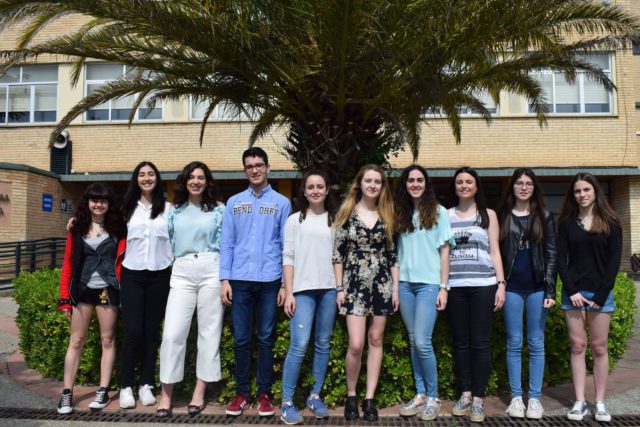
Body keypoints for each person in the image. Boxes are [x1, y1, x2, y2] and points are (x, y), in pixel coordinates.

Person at [220, 147, 292, 417]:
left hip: (269, 280)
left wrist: (284, 285)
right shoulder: (234, 202)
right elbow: (227, 242)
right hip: (239, 279)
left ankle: (263, 394)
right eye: (249, 166)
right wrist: (224, 279)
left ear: (268, 167)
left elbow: (286, 246)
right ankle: (241, 393)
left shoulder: (282, 203)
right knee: (240, 339)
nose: (255, 170)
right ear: (244, 170)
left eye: (259, 165)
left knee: (265, 338)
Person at [156, 161, 225, 417]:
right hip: (182, 271)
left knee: (209, 333)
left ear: (207, 182)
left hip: (211, 269)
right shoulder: (174, 211)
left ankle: (199, 392)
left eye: (201, 177)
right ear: (185, 182)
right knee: (172, 334)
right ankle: (166, 395)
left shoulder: (219, 210)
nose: (196, 181)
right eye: (191, 177)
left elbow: (226, 243)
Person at [333, 164, 399, 422]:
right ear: (359, 183)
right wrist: (339, 288)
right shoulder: (347, 213)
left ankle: (369, 398)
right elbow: (337, 254)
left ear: (382, 186)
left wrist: (395, 289)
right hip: (354, 285)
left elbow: (393, 256)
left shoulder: (387, 214)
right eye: (368, 181)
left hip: (382, 284)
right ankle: (352, 395)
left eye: (377, 182)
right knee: (356, 344)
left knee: (376, 339)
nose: (373, 185)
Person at [557, 172, 622, 423]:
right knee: (577, 346)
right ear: (572, 195)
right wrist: (572, 290)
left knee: (599, 347)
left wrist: (602, 293)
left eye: (586, 189)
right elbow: (561, 260)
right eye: (577, 191)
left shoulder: (611, 222)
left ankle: (600, 402)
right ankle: (580, 402)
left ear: (595, 191)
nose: (582, 194)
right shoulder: (566, 224)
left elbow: (614, 261)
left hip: (599, 294)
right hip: (573, 293)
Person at [57, 183, 126, 414]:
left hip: (109, 288)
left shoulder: (119, 227)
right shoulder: (76, 227)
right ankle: (67, 393)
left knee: (107, 339)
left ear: (109, 203)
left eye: (103, 200)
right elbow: (68, 263)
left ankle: (103, 391)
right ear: (87, 202)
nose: (98, 204)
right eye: (94, 200)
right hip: (82, 289)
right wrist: (64, 298)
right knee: (76, 340)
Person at [394, 165, 454, 421]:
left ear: (426, 184)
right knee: (412, 340)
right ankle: (420, 394)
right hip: (405, 284)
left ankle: (434, 397)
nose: (415, 184)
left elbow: (445, 252)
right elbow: (396, 254)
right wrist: (395, 287)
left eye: (420, 180)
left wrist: (443, 287)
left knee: (422, 341)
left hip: (429, 285)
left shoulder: (439, 212)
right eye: (411, 180)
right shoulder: (400, 213)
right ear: (405, 184)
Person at [447, 166, 506, 423]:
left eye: (468, 181)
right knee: (461, 342)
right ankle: (466, 394)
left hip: (484, 284)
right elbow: (443, 252)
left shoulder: (488, 215)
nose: (464, 185)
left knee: (481, 343)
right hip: (455, 286)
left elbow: (495, 251)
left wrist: (501, 284)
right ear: (455, 187)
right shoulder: (446, 215)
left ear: (476, 185)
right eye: (460, 182)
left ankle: (479, 398)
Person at [279, 170, 338, 425]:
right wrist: (289, 291)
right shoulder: (294, 220)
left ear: (327, 190)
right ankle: (287, 402)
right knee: (299, 345)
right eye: (310, 187)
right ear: (304, 191)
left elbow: (339, 257)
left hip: (328, 289)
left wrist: (340, 288)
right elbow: (288, 257)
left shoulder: (335, 220)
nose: (315, 191)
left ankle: (315, 396)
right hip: (302, 291)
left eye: (320, 186)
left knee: (323, 344)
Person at [498, 168, 557, 419]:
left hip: (537, 288)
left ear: (534, 188)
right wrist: (499, 284)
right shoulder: (502, 215)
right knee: (513, 342)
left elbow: (551, 253)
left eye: (529, 183)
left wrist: (550, 289)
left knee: (536, 343)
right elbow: (496, 252)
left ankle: (534, 398)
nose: (523, 187)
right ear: (512, 186)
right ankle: (515, 398)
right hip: (511, 287)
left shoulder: (544, 215)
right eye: (519, 183)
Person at [118, 161, 173, 409]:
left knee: (152, 332)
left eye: (151, 174)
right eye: (142, 174)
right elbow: (101, 224)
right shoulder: (126, 208)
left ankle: (146, 384)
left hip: (160, 275)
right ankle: (126, 386)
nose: (147, 178)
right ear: (136, 179)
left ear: (157, 178)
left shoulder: (168, 209)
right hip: (132, 274)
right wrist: (76, 221)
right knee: (132, 331)